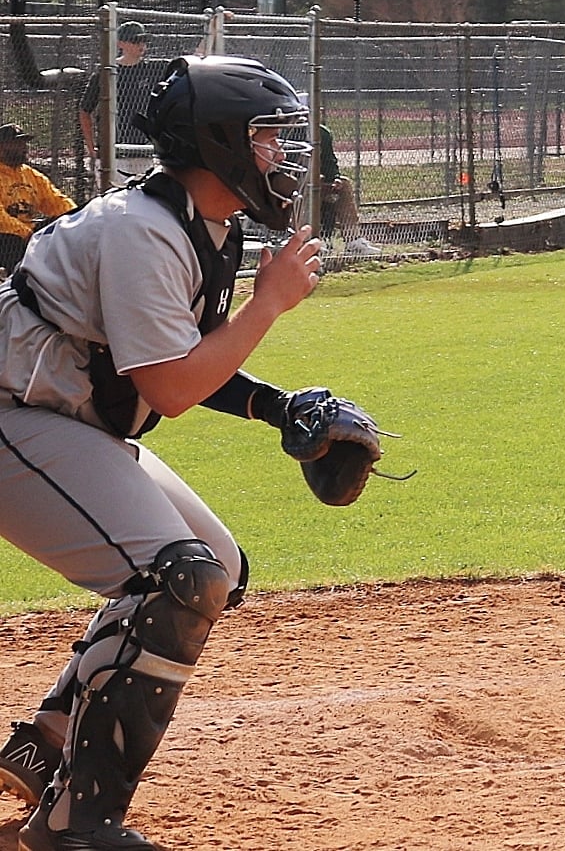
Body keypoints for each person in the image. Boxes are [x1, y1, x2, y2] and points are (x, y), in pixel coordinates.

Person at [0, 55, 376, 851]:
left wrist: (275, 406)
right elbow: (169, 387)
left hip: (54, 419)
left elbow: (176, 361)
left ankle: (49, 744)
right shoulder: (142, 231)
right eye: (267, 136)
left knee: (214, 563)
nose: (280, 154)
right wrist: (268, 305)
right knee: (179, 577)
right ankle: (78, 823)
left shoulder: (204, 227)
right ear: (219, 144)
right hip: (12, 419)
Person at [77, 22, 167, 189]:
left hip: (144, 151)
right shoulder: (106, 73)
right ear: (121, 44)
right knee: (113, 203)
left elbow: (194, 58)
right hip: (114, 154)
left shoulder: (153, 69)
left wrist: (212, 29)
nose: (141, 45)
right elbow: (84, 111)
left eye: (143, 41)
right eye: (135, 41)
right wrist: (91, 149)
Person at [0, 124, 76, 273]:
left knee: (59, 225)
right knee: (12, 241)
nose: (23, 148)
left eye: (23, 143)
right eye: (16, 143)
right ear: (1, 148)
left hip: (28, 233)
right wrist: (27, 233)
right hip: (8, 237)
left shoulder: (31, 175)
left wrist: (78, 218)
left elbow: (57, 201)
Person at [317, 125, 380, 258]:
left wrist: (335, 178)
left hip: (319, 181)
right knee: (310, 185)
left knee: (344, 184)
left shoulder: (322, 132)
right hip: (297, 180)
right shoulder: (288, 130)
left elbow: (329, 162)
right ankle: (311, 241)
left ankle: (353, 241)